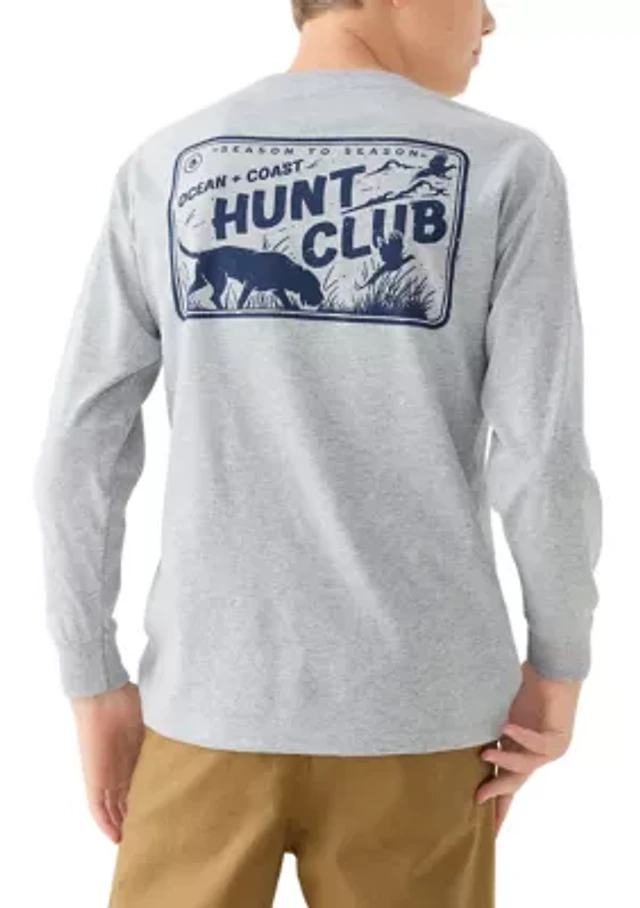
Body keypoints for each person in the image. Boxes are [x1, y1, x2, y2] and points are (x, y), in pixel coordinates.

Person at [33, 1, 603, 906]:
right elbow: (541, 457)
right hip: (421, 716)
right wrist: (559, 665)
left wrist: (92, 682)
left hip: (208, 708)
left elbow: (80, 450)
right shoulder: (504, 166)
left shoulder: (167, 164)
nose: (491, 20)